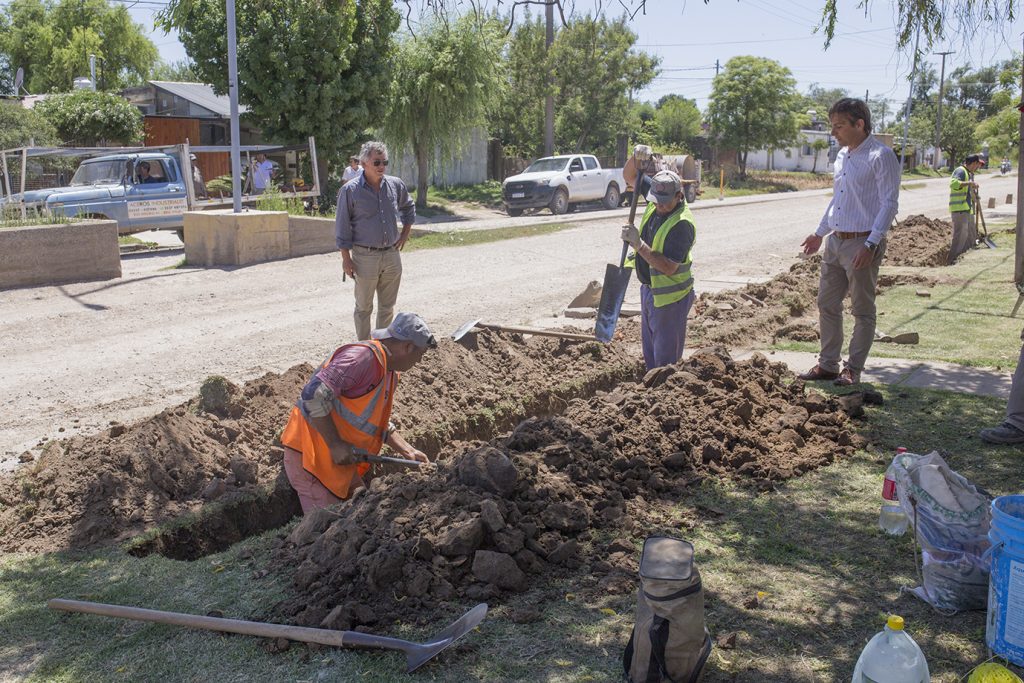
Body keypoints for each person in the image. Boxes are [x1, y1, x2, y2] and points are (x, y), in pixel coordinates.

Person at [280, 312, 436, 513]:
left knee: (362, 514)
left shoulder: (389, 372)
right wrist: (335, 444)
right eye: (421, 354)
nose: (420, 361)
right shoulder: (361, 359)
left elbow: (374, 422)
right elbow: (313, 394)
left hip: (340, 462)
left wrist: (408, 451)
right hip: (312, 457)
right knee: (327, 526)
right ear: (408, 347)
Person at [797, 98, 900, 386]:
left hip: (862, 243)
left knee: (862, 310)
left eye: (839, 126)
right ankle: (828, 365)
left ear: (860, 124)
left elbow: (890, 204)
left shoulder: (881, 156)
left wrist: (871, 244)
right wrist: (820, 233)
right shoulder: (843, 155)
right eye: (832, 126)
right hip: (836, 242)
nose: (833, 132)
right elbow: (840, 200)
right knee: (827, 304)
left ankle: (853, 369)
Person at [620, 157, 697, 371]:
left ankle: (664, 390)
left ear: (679, 196)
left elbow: (669, 267)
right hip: (650, 291)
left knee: (665, 363)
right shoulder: (657, 194)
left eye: (664, 202)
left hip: (670, 299)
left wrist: (638, 244)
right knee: (651, 357)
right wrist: (638, 156)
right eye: (655, 200)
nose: (659, 206)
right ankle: (651, 387)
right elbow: (629, 175)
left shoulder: (682, 225)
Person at [335, 140, 416, 341]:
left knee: (387, 307)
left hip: (391, 255)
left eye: (384, 162)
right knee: (363, 308)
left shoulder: (395, 185)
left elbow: (408, 207)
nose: (382, 166)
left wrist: (405, 233)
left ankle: (382, 348)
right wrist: (346, 259)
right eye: (377, 162)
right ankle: (365, 349)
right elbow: (342, 226)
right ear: (364, 164)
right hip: (364, 257)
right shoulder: (350, 191)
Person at [949, 153, 985, 263]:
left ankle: (965, 258)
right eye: (977, 165)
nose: (977, 168)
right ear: (973, 163)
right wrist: (969, 183)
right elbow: (953, 184)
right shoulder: (960, 171)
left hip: (966, 209)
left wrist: (974, 195)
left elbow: (967, 191)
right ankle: (953, 260)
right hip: (959, 209)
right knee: (960, 236)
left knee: (969, 235)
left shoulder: (968, 173)